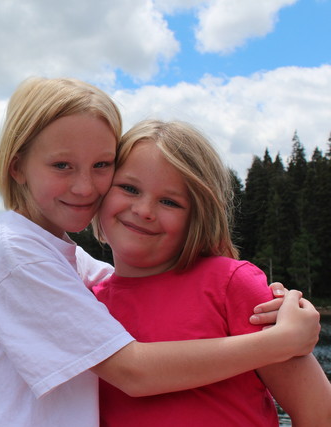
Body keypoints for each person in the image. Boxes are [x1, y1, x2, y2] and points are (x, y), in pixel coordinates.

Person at [0, 77, 321, 427]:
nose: (83, 186)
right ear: (17, 165)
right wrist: (280, 341)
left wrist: (282, 305)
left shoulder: (81, 274)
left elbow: (319, 412)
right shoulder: (12, 255)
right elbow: (133, 371)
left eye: (101, 165)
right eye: (61, 165)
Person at [92, 119, 331, 426]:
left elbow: (319, 413)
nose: (144, 210)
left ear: (199, 215)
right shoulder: (85, 304)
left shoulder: (232, 285)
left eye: (169, 201)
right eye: (128, 188)